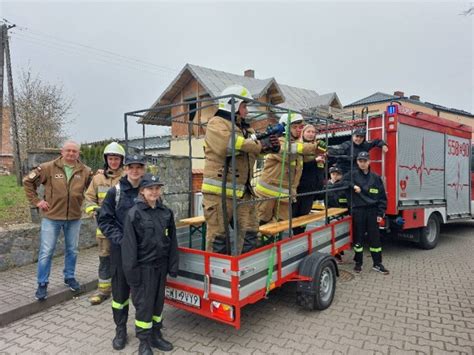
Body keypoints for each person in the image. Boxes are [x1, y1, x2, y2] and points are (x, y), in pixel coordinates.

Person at [202, 84, 280, 255]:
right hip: (218, 195)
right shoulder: (216, 123)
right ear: (233, 105)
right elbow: (227, 145)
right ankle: (218, 277)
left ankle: (244, 272)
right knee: (218, 238)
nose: (247, 111)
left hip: (244, 193)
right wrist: (259, 145)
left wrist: (268, 147)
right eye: (244, 106)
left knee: (251, 233)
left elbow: (251, 152)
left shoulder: (246, 129)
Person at [23, 140, 93, 301]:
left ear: (78, 154)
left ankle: (69, 277)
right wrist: (37, 202)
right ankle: (42, 284)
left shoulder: (85, 171)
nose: (71, 154)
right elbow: (27, 181)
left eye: (74, 151)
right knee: (46, 252)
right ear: (61, 152)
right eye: (68, 151)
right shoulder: (48, 167)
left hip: (74, 218)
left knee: (72, 250)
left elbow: (93, 188)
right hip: (51, 217)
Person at [122, 173, 178, 354]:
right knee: (144, 306)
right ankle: (144, 342)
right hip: (143, 268)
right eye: (150, 189)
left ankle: (156, 335)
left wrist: (172, 265)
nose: (154, 192)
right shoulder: (134, 214)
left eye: (157, 188)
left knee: (157, 304)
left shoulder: (166, 212)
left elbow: (172, 241)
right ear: (142, 191)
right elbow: (129, 247)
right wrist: (132, 275)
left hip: (160, 267)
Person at [97, 154, 146, 350]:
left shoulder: (149, 189)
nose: (135, 171)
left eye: (139, 167)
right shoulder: (115, 191)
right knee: (120, 293)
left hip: (144, 252)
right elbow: (105, 220)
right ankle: (120, 330)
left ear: (144, 169)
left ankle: (147, 331)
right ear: (125, 169)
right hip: (121, 252)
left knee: (143, 293)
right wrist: (122, 240)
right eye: (131, 167)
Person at [256, 113, 327, 225]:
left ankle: (273, 242)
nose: (299, 130)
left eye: (300, 127)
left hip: (285, 194)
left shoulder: (295, 144)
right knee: (261, 221)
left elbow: (301, 159)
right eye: (295, 127)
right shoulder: (277, 141)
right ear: (285, 127)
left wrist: (320, 152)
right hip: (268, 193)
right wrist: (314, 147)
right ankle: (262, 242)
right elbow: (289, 153)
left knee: (281, 224)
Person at [84, 142, 125, 305]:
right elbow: (89, 198)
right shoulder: (97, 178)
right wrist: (94, 211)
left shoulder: (127, 177)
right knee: (105, 260)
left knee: (123, 259)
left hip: (123, 228)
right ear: (106, 159)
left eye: (116, 159)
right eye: (110, 158)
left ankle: (123, 289)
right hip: (104, 229)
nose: (113, 162)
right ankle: (103, 291)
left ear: (121, 160)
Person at [344, 151, 389, 275]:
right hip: (358, 211)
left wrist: (380, 213)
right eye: (360, 161)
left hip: (373, 212)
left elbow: (382, 197)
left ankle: (377, 264)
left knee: (375, 239)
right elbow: (343, 181)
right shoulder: (352, 175)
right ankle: (359, 263)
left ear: (369, 162)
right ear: (357, 162)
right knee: (358, 238)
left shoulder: (375, 177)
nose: (362, 163)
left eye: (365, 161)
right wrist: (353, 186)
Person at [291, 124, 326, 235]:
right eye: (308, 132)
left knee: (304, 215)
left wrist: (323, 161)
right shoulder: (299, 146)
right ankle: (294, 237)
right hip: (299, 187)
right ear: (303, 133)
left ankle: (300, 236)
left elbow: (320, 170)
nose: (311, 134)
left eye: (313, 132)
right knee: (295, 214)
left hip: (312, 188)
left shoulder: (318, 147)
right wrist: (315, 160)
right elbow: (299, 166)